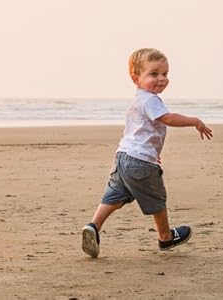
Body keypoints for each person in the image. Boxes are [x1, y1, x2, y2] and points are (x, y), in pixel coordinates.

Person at [81, 48, 214, 258]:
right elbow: (168, 119)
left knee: (115, 195)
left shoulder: (138, 100)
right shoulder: (150, 100)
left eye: (165, 74)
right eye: (154, 74)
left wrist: (151, 153)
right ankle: (165, 237)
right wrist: (194, 121)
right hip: (140, 161)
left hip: (123, 157)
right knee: (156, 199)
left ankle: (93, 226)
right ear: (136, 78)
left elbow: (138, 132)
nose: (161, 79)